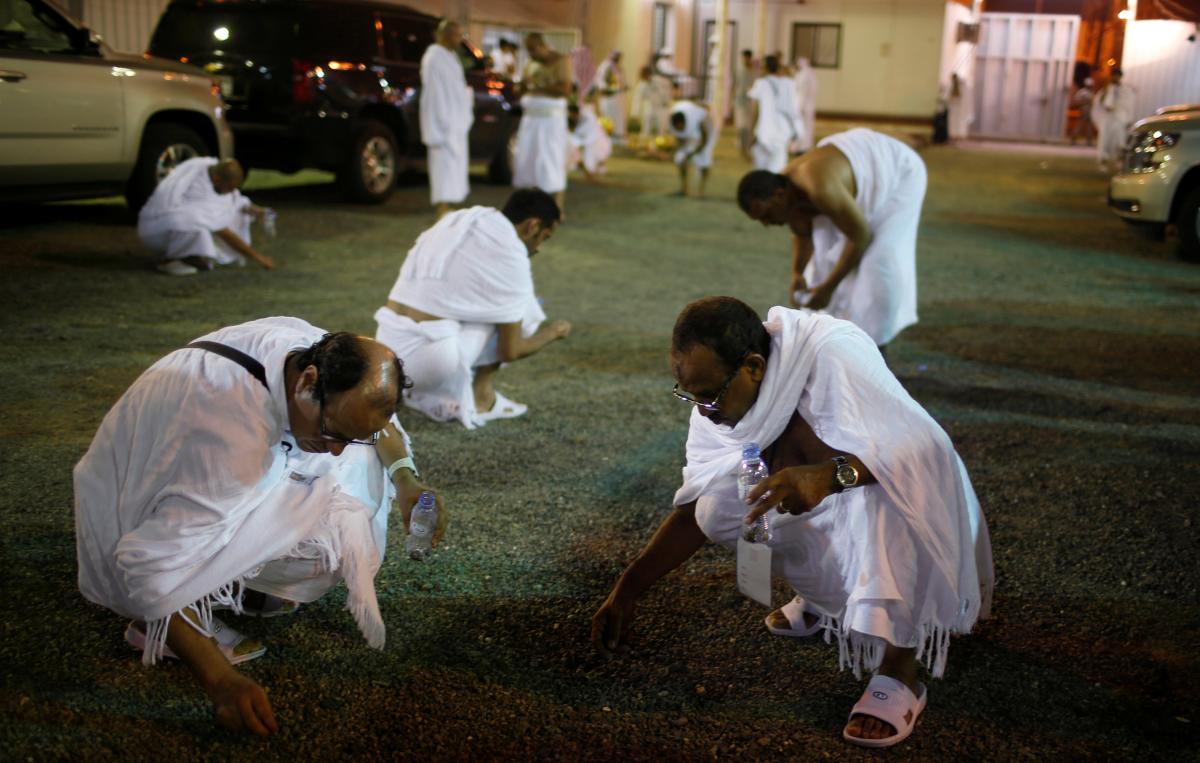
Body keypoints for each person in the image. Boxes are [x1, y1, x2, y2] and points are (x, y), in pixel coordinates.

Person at [592, 296, 993, 749]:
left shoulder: (831, 355)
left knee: (885, 501)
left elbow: (923, 449)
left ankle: (902, 665)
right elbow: (692, 513)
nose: (702, 409)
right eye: (688, 393)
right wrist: (627, 590)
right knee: (717, 507)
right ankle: (828, 601)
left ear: (754, 366)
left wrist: (834, 475)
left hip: (894, 497)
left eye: (709, 394)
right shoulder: (716, 410)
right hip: (824, 503)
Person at [74, 321, 445, 735]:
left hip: (182, 468)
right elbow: (144, 570)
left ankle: (240, 581)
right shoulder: (232, 447)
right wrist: (220, 681)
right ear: (308, 382)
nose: (338, 447)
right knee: (332, 518)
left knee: (354, 474)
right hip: (140, 506)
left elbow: (373, 425)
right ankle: (160, 625)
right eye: (332, 432)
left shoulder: (307, 350)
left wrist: (406, 477)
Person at [373, 189, 571, 429]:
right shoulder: (512, 253)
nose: (539, 248)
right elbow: (511, 350)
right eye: (544, 237)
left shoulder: (461, 218)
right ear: (532, 226)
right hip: (430, 363)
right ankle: (481, 398)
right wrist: (554, 332)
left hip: (385, 347)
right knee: (526, 306)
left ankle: (421, 392)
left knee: (498, 304)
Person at [736, 128, 927, 353]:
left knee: (878, 264)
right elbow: (802, 232)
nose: (767, 224)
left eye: (766, 215)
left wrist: (828, 288)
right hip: (847, 171)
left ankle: (875, 347)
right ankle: (836, 343)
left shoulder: (820, 188)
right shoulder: (785, 190)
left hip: (898, 172)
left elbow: (860, 237)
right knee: (824, 262)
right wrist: (797, 273)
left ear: (779, 195)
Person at [137, 157, 274, 276]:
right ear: (217, 179)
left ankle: (190, 256)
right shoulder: (198, 191)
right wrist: (258, 258)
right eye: (230, 188)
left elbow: (233, 202)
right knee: (193, 223)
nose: (232, 192)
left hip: (168, 223)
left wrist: (255, 210)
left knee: (204, 221)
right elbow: (224, 232)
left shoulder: (209, 166)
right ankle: (170, 260)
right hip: (157, 230)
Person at [513, 33, 573, 213]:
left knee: (551, 159)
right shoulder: (530, 64)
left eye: (533, 49)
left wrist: (537, 87)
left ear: (542, 46)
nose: (530, 54)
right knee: (528, 159)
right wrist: (523, 86)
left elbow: (565, 89)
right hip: (531, 120)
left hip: (551, 122)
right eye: (528, 50)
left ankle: (557, 206)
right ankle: (531, 206)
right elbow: (521, 88)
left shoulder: (561, 61)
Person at [421, 19, 474, 218]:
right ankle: (442, 209)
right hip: (443, 123)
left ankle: (450, 207)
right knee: (443, 166)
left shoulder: (451, 57)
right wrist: (443, 121)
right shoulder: (434, 57)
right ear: (445, 35)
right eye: (457, 35)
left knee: (454, 166)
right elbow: (435, 93)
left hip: (456, 121)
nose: (460, 40)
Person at [748, 54, 806, 173]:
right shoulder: (790, 83)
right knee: (777, 168)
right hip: (783, 130)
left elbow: (755, 109)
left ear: (765, 68)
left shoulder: (760, 83)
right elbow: (794, 107)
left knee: (760, 169)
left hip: (764, 130)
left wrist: (752, 131)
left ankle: (762, 189)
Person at [668, 100, 718, 197]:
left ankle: (702, 190)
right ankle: (684, 188)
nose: (679, 129)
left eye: (681, 127)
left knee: (704, 158)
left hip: (707, 129)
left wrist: (692, 154)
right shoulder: (671, 122)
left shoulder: (698, 119)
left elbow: (704, 140)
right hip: (691, 129)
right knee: (680, 159)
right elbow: (679, 140)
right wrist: (680, 153)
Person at [1093, 68, 1134, 171]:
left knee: (1120, 140)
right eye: (1114, 76)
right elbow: (1100, 103)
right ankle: (1103, 162)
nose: (1115, 78)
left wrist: (1128, 119)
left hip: (1119, 118)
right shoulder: (1106, 89)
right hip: (1107, 119)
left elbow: (1129, 105)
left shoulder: (1125, 90)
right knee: (1104, 140)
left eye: (1117, 76)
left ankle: (1119, 162)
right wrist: (1107, 90)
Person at [568, 100, 612, 180]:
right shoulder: (572, 118)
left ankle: (598, 166)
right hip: (585, 141)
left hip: (596, 141)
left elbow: (589, 136)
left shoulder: (588, 117)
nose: (572, 117)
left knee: (591, 158)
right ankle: (587, 168)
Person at [592, 50, 628, 145]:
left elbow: (621, 81)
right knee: (609, 117)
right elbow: (600, 81)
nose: (618, 58)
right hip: (609, 97)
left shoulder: (617, 67)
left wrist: (624, 86)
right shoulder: (605, 66)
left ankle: (618, 137)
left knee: (618, 118)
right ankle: (608, 138)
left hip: (618, 96)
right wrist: (607, 89)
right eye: (616, 56)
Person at [733, 50, 756, 157]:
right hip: (740, 101)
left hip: (750, 102)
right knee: (741, 125)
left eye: (747, 58)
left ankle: (746, 146)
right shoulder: (739, 70)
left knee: (748, 126)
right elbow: (734, 85)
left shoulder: (754, 71)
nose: (745, 60)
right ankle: (742, 145)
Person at [792, 57, 817, 152]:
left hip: (803, 106)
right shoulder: (808, 74)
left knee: (803, 127)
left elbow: (803, 91)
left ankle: (803, 146)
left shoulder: (804, 75)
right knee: (805, 126)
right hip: (806, 105)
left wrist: (800, 106)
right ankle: (803, 145)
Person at [1069, 77, 1097, 146]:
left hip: (1090, 111)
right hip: (1084, 110)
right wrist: (1087, 102)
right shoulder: (1082, 92)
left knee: (1089, 127)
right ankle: (1073, 139)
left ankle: (1089, 141)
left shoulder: (1091, 92)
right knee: (1080, 126)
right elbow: (1076, 102)